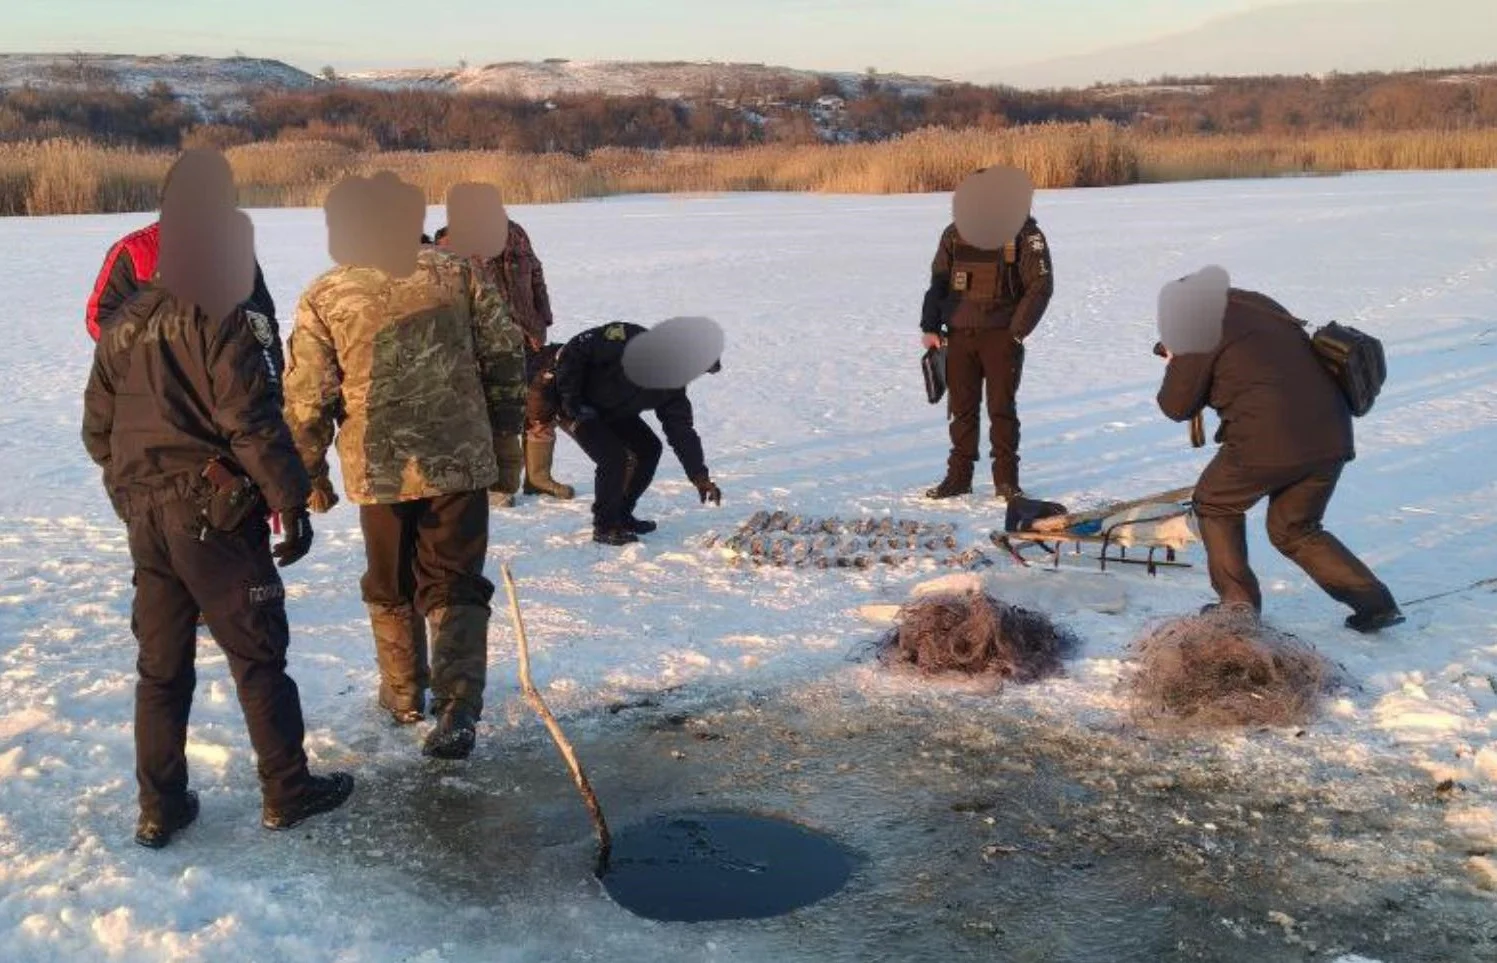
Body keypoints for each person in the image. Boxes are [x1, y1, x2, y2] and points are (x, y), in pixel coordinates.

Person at [80, 211, 353, 849]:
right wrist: (291, 501)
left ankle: (161, 806)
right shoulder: (223, 314)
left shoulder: (122, 325)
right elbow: (250, 419)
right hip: (212, 511)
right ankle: (287, 790)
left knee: (161, 668)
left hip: (147, 515)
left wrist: (135, 486)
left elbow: (96, 431)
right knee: (258, 655)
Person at [283, 181, 528, 759]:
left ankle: (402, 695)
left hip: (380, 466)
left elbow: (308, 395)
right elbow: (505, 356)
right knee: (455, 578)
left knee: (389, 580)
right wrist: (505, 444)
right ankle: (458, 705)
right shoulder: (459, 273)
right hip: (458, 457)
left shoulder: (327, 291)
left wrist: (308, 474)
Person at [1156, 286, 1404, 633]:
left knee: (1214, 505)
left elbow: (1176, 405)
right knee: (1295, 529)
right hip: (1330, 435)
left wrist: (1175, 362)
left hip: (1267, 439)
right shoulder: (1262, 307)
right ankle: (1375, 603)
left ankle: (1237, 606)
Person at [436, 222, 574, 503]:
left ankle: (539, 478)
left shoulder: (515, 233)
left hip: (528, 333)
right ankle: (495, 484)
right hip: (486, 339)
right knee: (496, 410)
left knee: (539, 401)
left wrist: (542, 316)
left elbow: (536, 272)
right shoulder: (451, 239)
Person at [550, 321, 723, 545]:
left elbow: (682, 432)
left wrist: (699, 476)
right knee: (613, 458)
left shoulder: (673, 388)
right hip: (575, 405)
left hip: (613, 412)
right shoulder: (631, 340)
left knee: (649, 449)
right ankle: (605, 526)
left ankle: (622, 514)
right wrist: (570, 400)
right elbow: (575, 349)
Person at [919, 212, 1053, 501]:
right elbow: (939, 281)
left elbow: (1041, 285)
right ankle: (958, 478)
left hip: (1001, 337)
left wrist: (1016, 332)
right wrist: (930, 326)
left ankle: (1006, 481)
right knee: (962, 410)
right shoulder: (955, 232)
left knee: (1001, 410)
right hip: (958, 336)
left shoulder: (1025, 233)